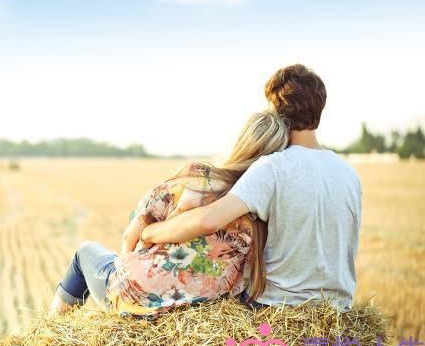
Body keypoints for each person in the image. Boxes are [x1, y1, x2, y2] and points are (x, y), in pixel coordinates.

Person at [141, 64, 362, 312]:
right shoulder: (349, 173)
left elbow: (208, 220)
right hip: (339, 310)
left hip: (279, 307)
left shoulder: (273, 168)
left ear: (276, 112)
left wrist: (151, 233)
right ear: (320, 109)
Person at [49, 110, 289, 316]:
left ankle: (53, 334)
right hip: (203, 309)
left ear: (242, 143)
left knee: (85, 253)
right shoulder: (260, 209)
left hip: (139, 295)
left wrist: (131, 275)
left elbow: (131, 236)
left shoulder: (197, 176)